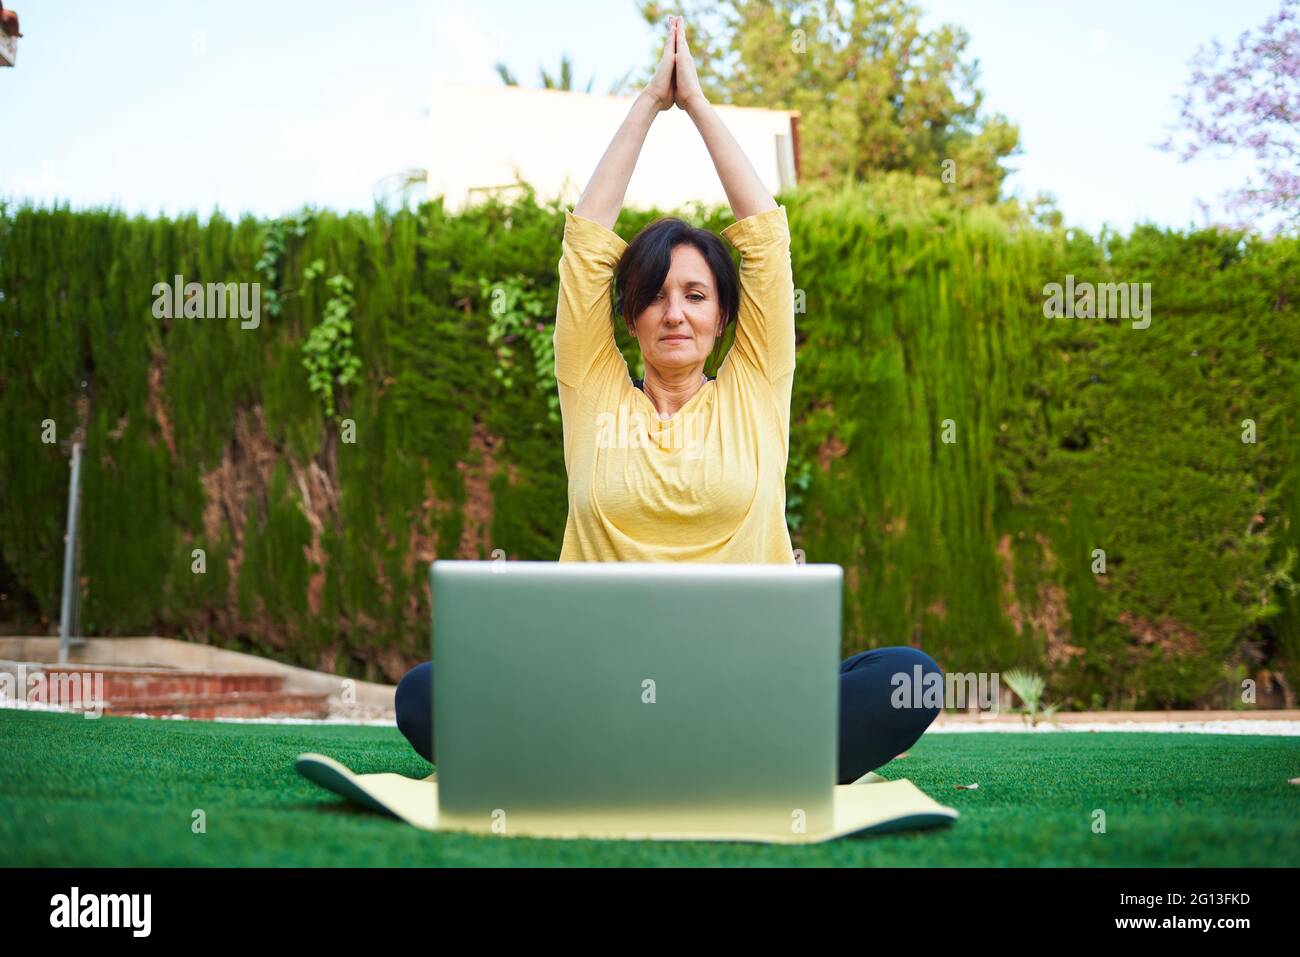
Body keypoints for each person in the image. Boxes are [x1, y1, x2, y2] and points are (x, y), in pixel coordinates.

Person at [397, 15, 941, 784]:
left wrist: (701, 106)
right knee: (424, 695)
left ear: (724, 316)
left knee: (905, 677)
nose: (675, 311)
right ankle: (696, 763)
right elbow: (586, 245)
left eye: (696, 294)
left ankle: (650, 762)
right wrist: (648, 104)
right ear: (630, 316)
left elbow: (766, 237)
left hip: (743, 694)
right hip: (598, 694)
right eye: (655, 295)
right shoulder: (593, 394)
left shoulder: (755, 387)